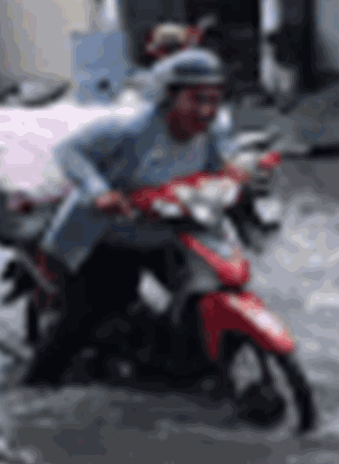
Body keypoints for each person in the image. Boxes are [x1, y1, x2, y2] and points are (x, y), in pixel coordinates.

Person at [19, 48, 243, 388]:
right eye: (196, 99)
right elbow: (69, 151)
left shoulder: (212, 130)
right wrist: (99, 192)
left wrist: (240, 173)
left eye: (214, 100)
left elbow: (222, 166)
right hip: (109, 236)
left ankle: (180, 365)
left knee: (203, 290)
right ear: (169, 97)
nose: (206, 110)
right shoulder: (131, 129)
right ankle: (36, 385)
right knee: (85, 317)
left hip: (169, 230)